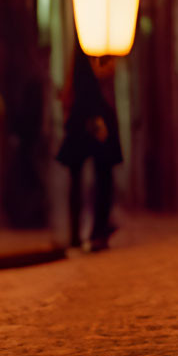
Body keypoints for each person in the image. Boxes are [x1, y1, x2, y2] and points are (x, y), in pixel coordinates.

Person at [56, 50, 122, 251]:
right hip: (90, 110)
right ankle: (90, 231)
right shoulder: (88, 46)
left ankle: (92, 231)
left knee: (99, 174)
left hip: (86, 109)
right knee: (97, 174)